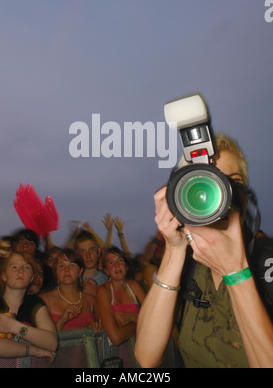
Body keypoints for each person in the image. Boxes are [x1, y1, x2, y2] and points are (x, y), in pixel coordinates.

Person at [135, 134, 273, 368]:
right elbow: (146, 358)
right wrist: (174, 249)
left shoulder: (265, 261)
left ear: (246, 197)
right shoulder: (191, 264)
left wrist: (236, 271)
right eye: (207, 183)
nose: (220, 194)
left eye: (232, 182)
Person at [0, 251, 58, 362]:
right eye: (14, 267)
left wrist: (15, 327)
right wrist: (34, 350)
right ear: (4, 275)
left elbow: (52, 343)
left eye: (26, 267)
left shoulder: (35, 304)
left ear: (32, 277)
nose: (21, 271)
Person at [97, 246, 146, 349]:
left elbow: (153, 318)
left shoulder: (134, 286)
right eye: (111, 263)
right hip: (115, 353)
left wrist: (131, 317)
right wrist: (138, 323)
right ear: (106, 271)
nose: (117, 265)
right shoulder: (103, 291)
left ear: (126, 266)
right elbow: (116, 337)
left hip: (140, 347)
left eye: (120, 260)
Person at [40, 248, 99, 331]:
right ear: (55, 272)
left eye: (72, 265)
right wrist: (62, 321)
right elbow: (43, 340)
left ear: (80, 271)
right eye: (61, 266)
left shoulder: (91, 300)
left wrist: (94, 327)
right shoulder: (44, 300)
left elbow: (104, 333)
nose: (66, 270)